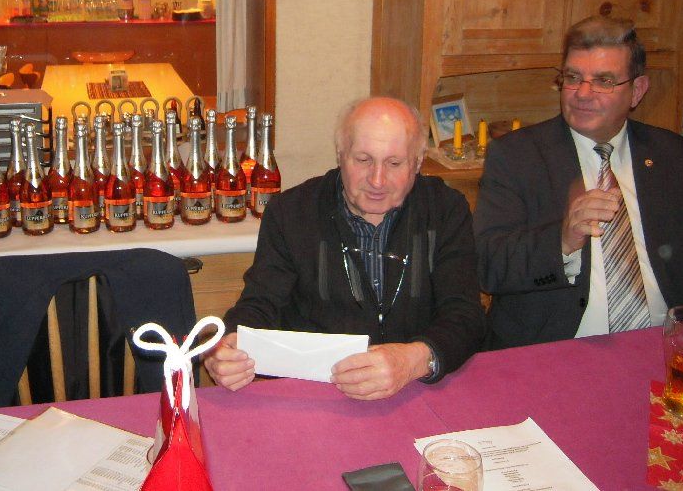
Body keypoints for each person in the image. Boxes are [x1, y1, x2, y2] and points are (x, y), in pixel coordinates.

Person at [203, 97, 485, 400]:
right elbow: (261, 304)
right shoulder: (291, 212)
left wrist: (413, 360)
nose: (377, 180)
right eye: (363, 160)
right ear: (340, 155)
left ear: (417, 163)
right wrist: (229, 344)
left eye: (394, 163)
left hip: (416, 389)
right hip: (318, 395)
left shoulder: (445, 210)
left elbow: (465, 315)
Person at [474, 16, 683, 350]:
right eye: (573, 77)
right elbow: (487, 266)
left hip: (660, 346)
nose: (582, 93)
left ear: (637, 91)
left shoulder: (676, 157)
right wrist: (562, 240)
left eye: (604, 81)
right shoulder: (517, 156)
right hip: (554, 350)